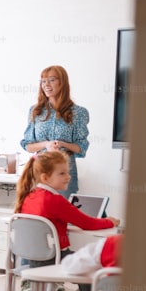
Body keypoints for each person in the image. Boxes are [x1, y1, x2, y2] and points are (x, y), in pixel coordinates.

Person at [15, 151, 119, 291]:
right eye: (62, 173)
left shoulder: (29, 196)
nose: (68, 177)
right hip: (53, 259)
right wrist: (111, 221)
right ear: (46, 177)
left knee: (78, 258)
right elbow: (88, 223)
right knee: (98, 269)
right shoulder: (54, 200)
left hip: (31, 260)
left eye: (67, 172)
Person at [20, 65, 89, 199]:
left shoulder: (79, 113)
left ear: (62, 82)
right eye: (43, 81)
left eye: (51, 80)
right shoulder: (35, 111)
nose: (46, 85)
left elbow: (81, 148)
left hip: (65, 171)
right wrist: (46, 144)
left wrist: (62, 144)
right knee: (39, 214)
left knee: (63, 215)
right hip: (39, 171)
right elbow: (28, 145)